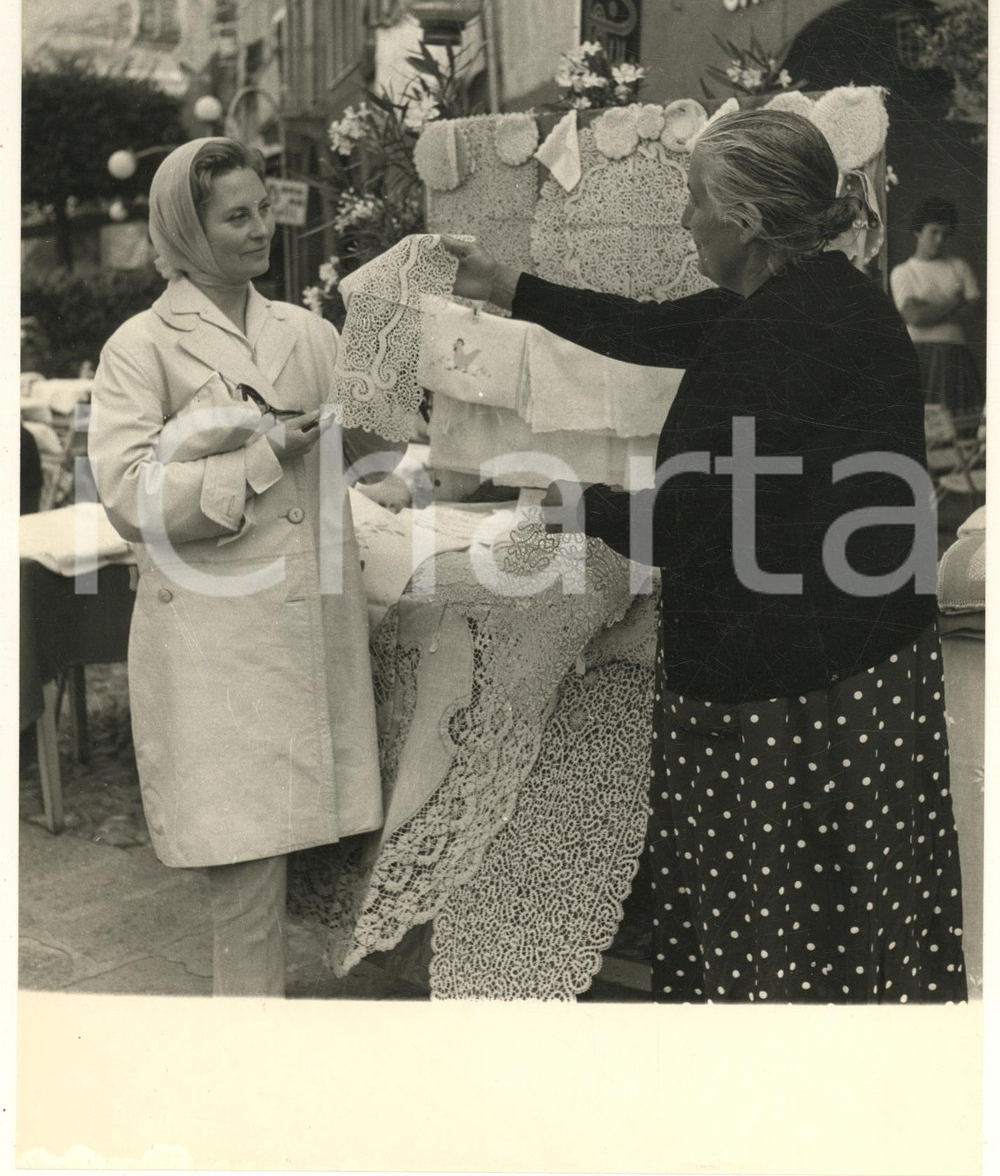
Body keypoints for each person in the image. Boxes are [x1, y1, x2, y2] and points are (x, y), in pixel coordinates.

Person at [442, 109, 967, 1004]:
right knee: (861, 929)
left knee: (768, 941)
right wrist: (508, 286)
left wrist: (569, 500)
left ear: (750, 222)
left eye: (694, 203)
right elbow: (651, 332)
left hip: (784, 694)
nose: (684, 222)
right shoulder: (831, 296)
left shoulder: (768, 337)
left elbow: (685, 525)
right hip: (870, 669)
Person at [89, 137, 402, 997]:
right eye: (238, 216)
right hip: (219, 649)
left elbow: (368, 449)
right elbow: (128, 496)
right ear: (188, 231)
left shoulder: (303, 331)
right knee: (246, 891)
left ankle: (267, 1070)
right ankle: (242, 1078)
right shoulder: (140, 347)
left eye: (264, 208)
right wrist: (258, 458)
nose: (262, 228)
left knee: (302, 872)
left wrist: (393, 414)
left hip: (304, 631)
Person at [890, 196, 983, 418]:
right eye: (933, 232)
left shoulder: (958, 267)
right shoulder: (903, 272)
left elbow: (975, 310)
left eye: (945, 233)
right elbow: (914, 317)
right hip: (920, 358)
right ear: (918, 232)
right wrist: (954, 301)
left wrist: (929, 308)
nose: (940, 239)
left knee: (961, 427)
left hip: (955, 357)